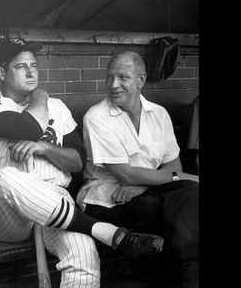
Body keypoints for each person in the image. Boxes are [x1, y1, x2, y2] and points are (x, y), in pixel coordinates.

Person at [0, 39, 165, 287]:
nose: (31, 72)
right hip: (5, 209)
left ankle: (101, 234)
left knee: (84, 253)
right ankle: (110, 233)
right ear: (1, 73)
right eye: (21, 67)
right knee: (7, 175)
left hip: (56, 200)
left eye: (34, 65)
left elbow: (76, 162)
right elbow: (28, 128)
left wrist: (44, 148)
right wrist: (40, 96)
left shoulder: (58, 107)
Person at [76, 51, 199, 288]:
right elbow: (124, 174)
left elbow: (173, 165)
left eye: (123, 77)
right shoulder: (97, 117)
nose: (113, 85)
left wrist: (141, 185)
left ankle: (190, 274)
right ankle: (177, 275)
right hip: (104, 198)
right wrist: (149, 182)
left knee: (191, 194)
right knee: (157, 206)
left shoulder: (159, 114)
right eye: (109, 77)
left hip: (145, 191)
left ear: (141, 80)